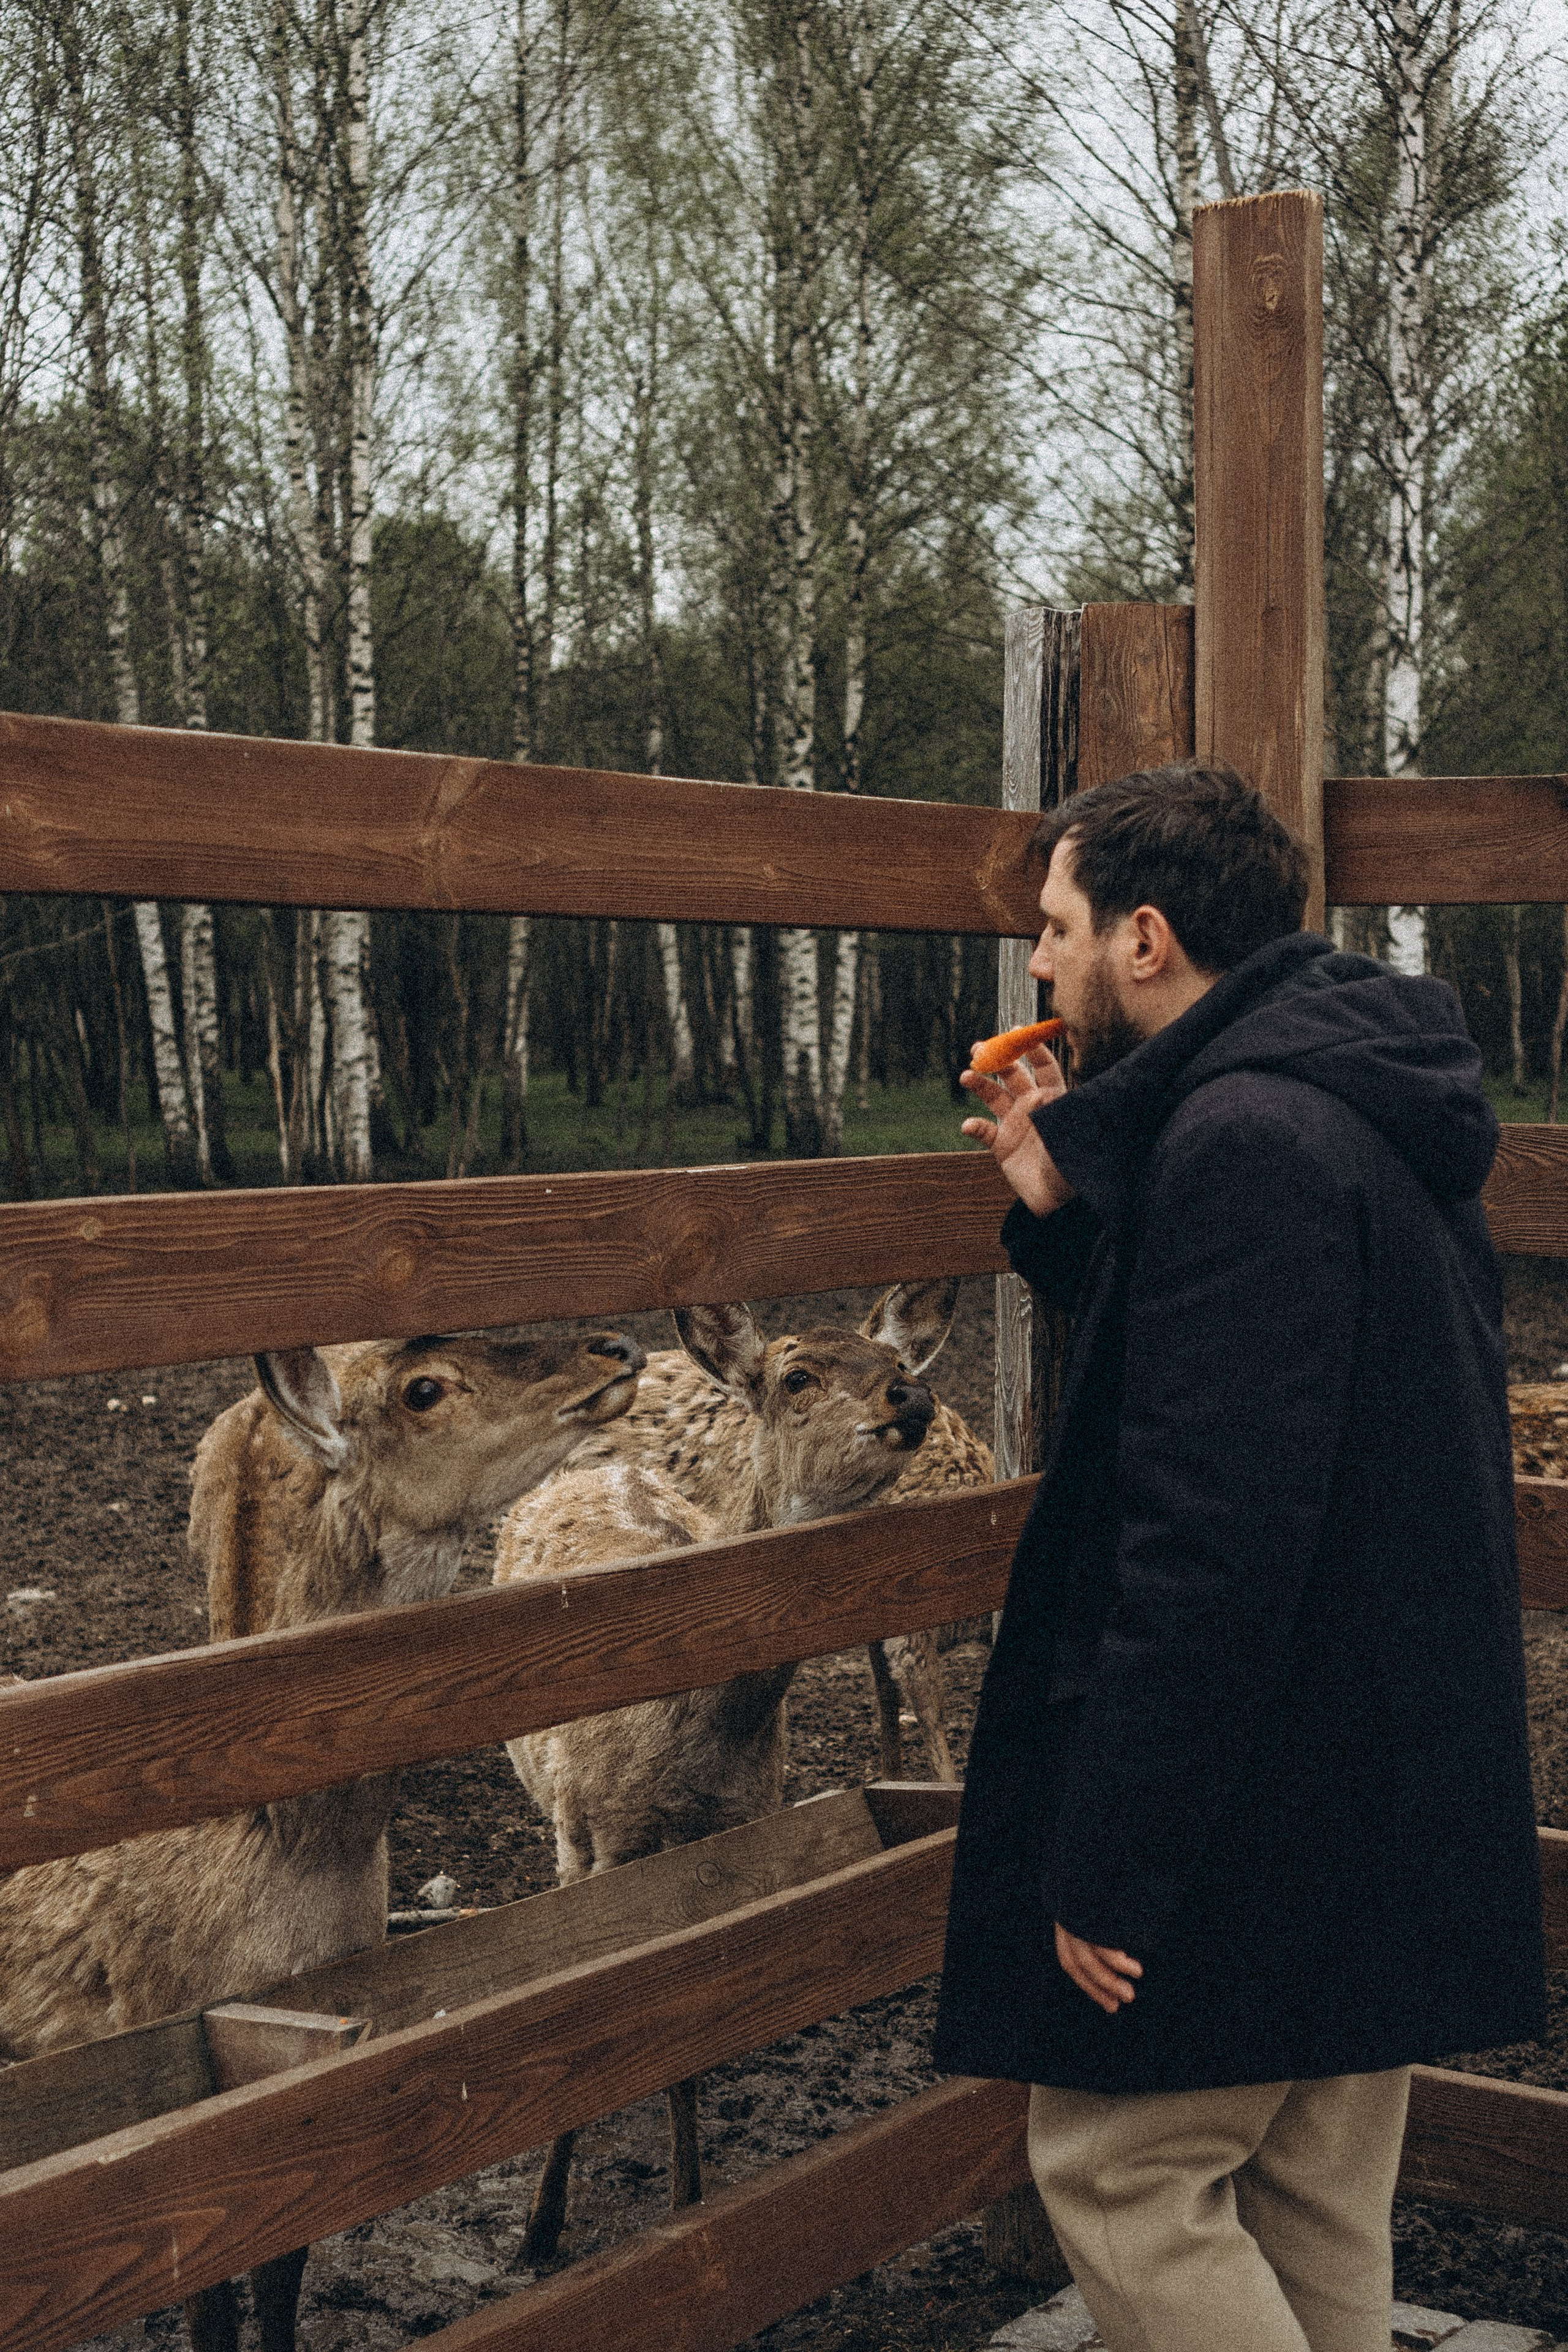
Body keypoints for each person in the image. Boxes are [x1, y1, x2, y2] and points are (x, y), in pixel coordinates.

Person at [932, 761, 1545, 2352]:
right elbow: (1276, 1383)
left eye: (1057, 930)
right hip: (1385, 1768)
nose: (1041, 970)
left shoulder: (1244, 1146)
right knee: (1312, 2197)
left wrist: (1116, 1849)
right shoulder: (1337, 1089)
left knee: (1120, 2173)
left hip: (1272, 1784)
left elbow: (1213, 1535)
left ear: (1147, 938)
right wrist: (1068, 1202)